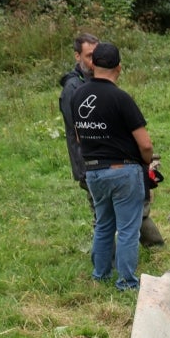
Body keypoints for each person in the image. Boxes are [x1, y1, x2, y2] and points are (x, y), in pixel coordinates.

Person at [59, 33, 163, 246]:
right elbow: (80, 134)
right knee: (106, 218)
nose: (94, 61)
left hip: (114, 161)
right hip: (92, 163)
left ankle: (153, 247)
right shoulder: (73, 90)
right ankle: (114, 267)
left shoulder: (99, 86)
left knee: (132, 209)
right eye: (89, 56)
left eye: (96, 55)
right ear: (77, 56)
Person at [69, 42, 157, 292]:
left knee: (104, 223)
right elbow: (146, 144)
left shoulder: (78, 95)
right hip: (123, 171)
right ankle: (127, 282)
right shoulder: (121, 98)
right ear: (119, 67)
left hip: (94, 171)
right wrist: (146, 163)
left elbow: (78, 137)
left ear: (93, 65)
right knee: (129, 229)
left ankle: (100, 274)